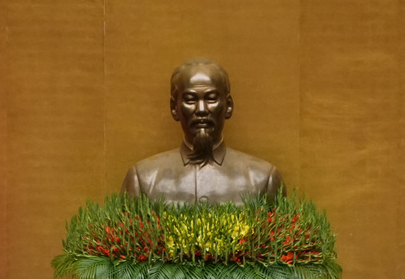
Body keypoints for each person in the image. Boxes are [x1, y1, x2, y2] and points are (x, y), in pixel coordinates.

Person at [121, 58, 285, 205]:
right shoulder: (143, 179)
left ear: (228, 106)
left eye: (211, 98)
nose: (201, 110)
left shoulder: (262, 179)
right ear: (174, 108)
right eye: (190, 99)